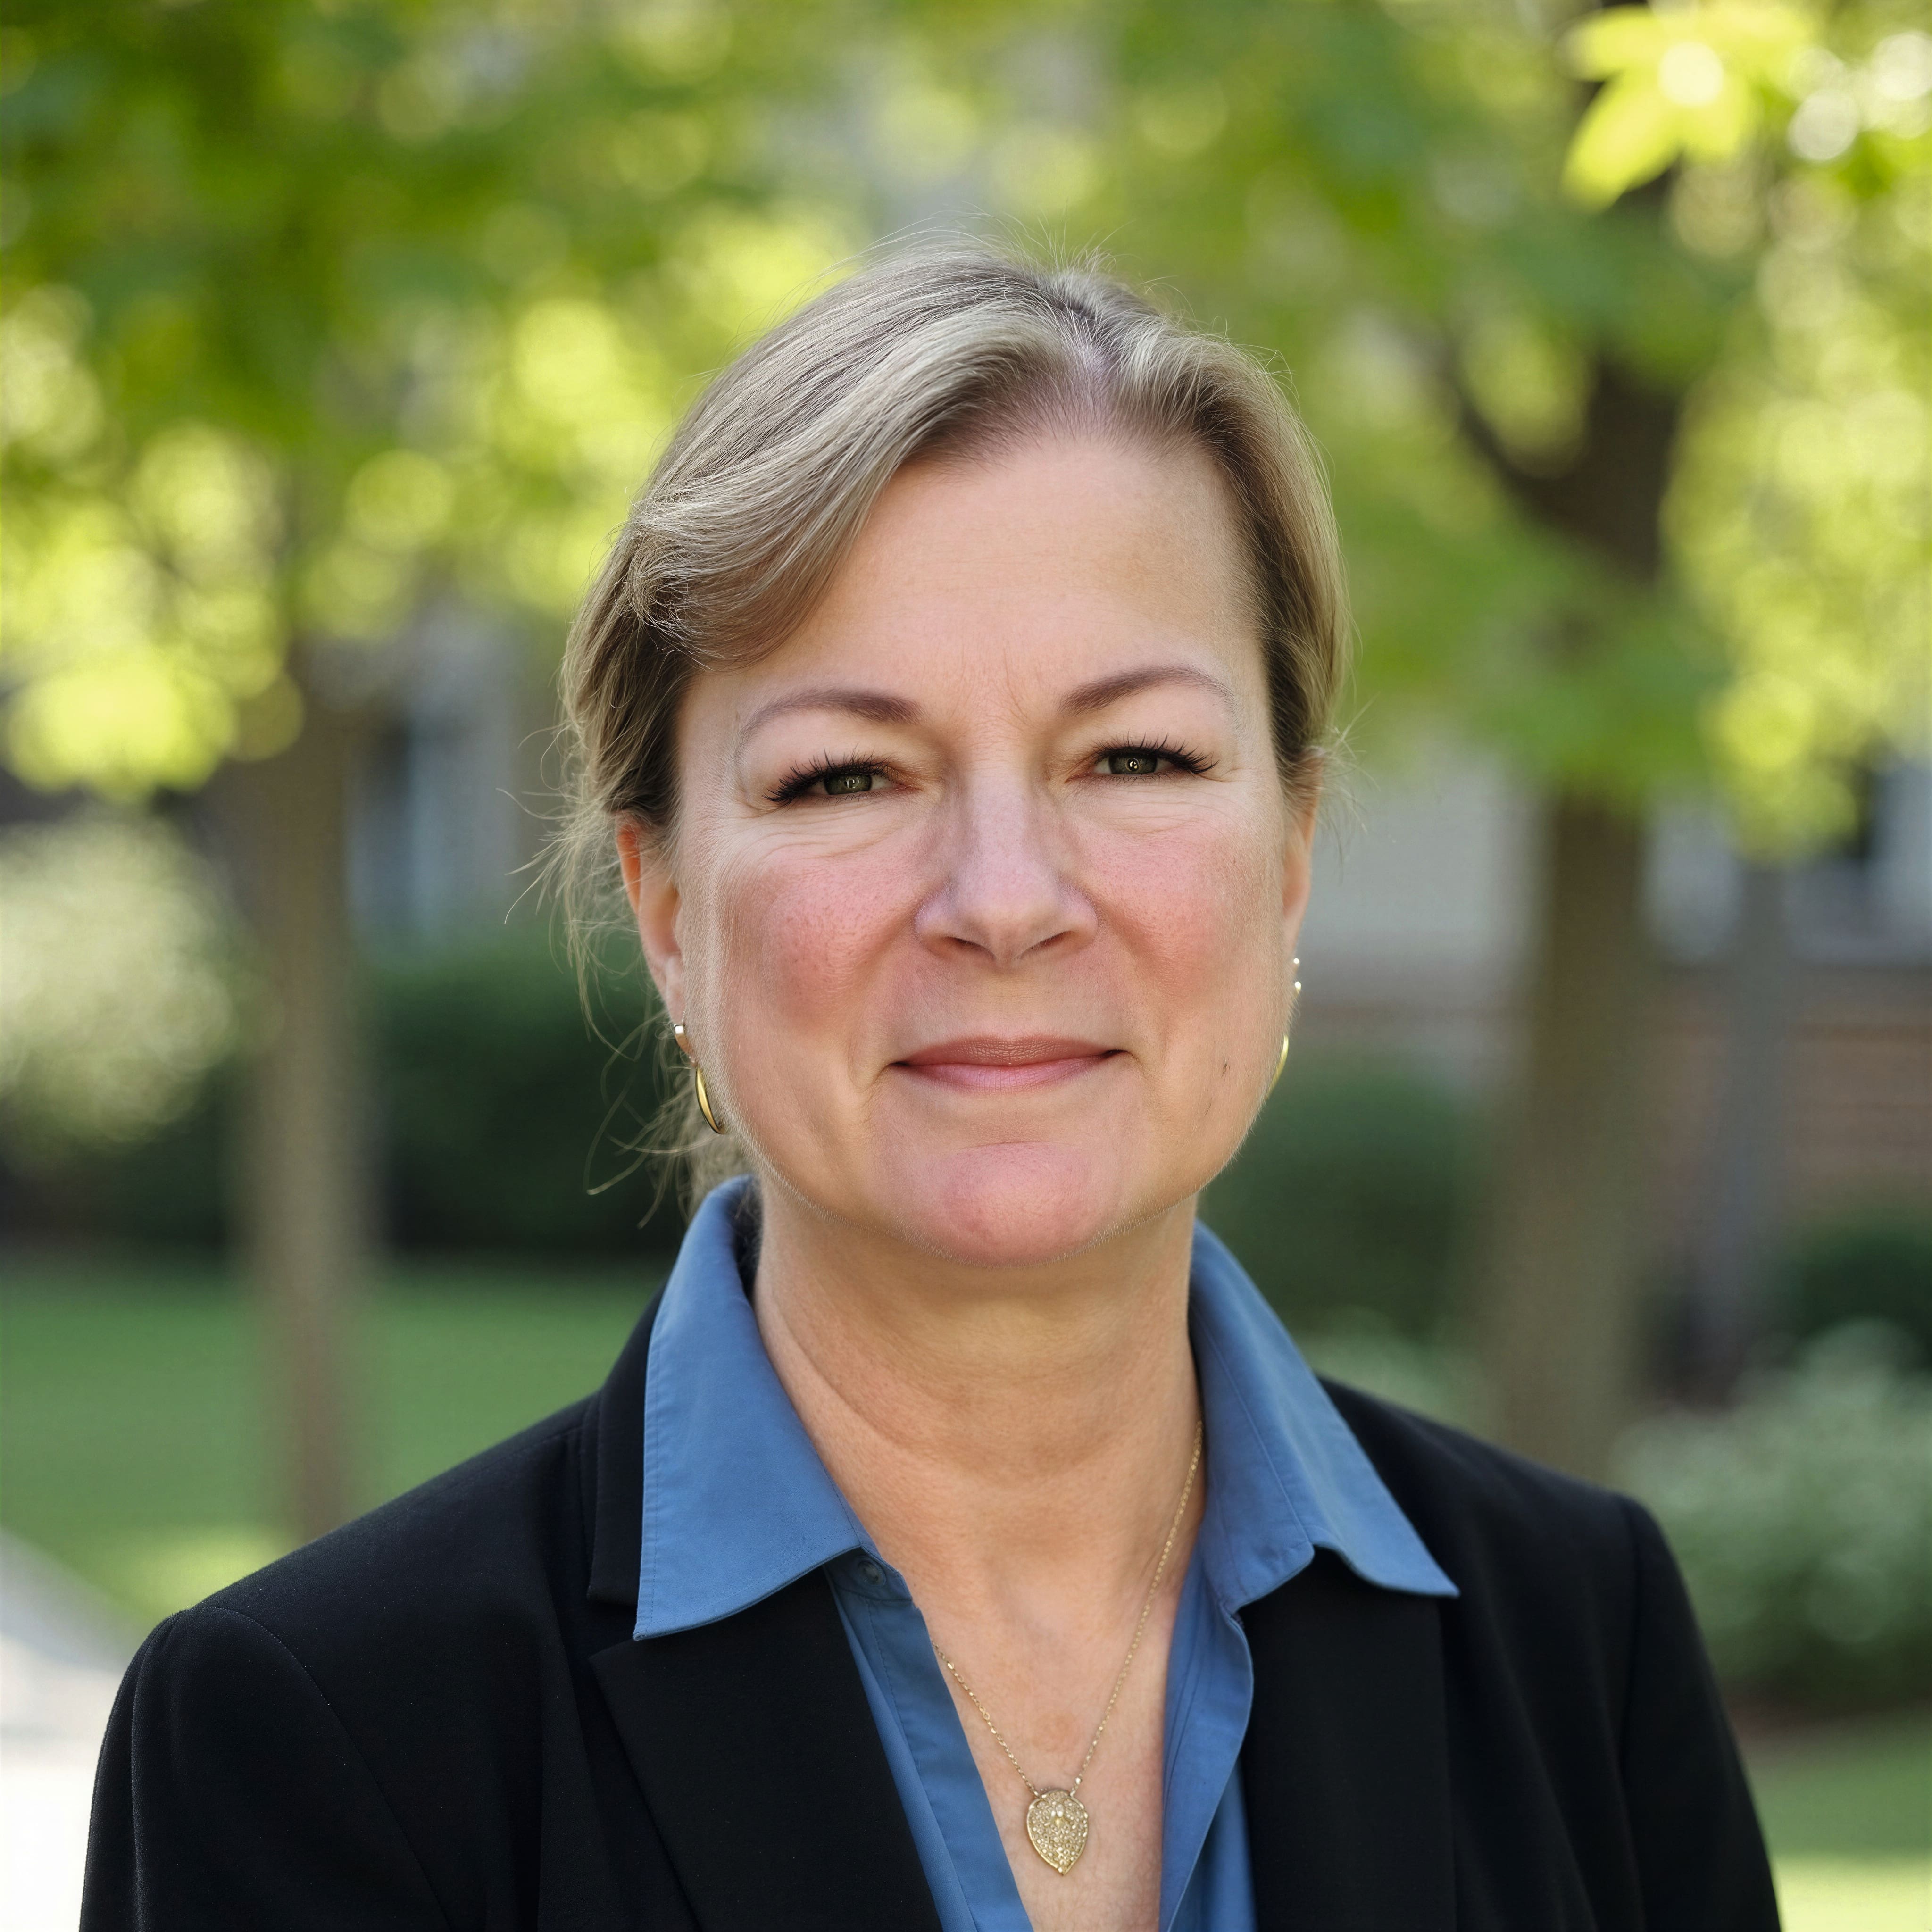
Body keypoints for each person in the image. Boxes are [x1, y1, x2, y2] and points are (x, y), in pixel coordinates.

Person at [82, 248, 1777, 1932]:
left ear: (1291, 861)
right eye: (848, 775)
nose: (1006, 897)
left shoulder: (1584, 1648)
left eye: (1136, 757)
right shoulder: (310, 1737)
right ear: (669, 913)